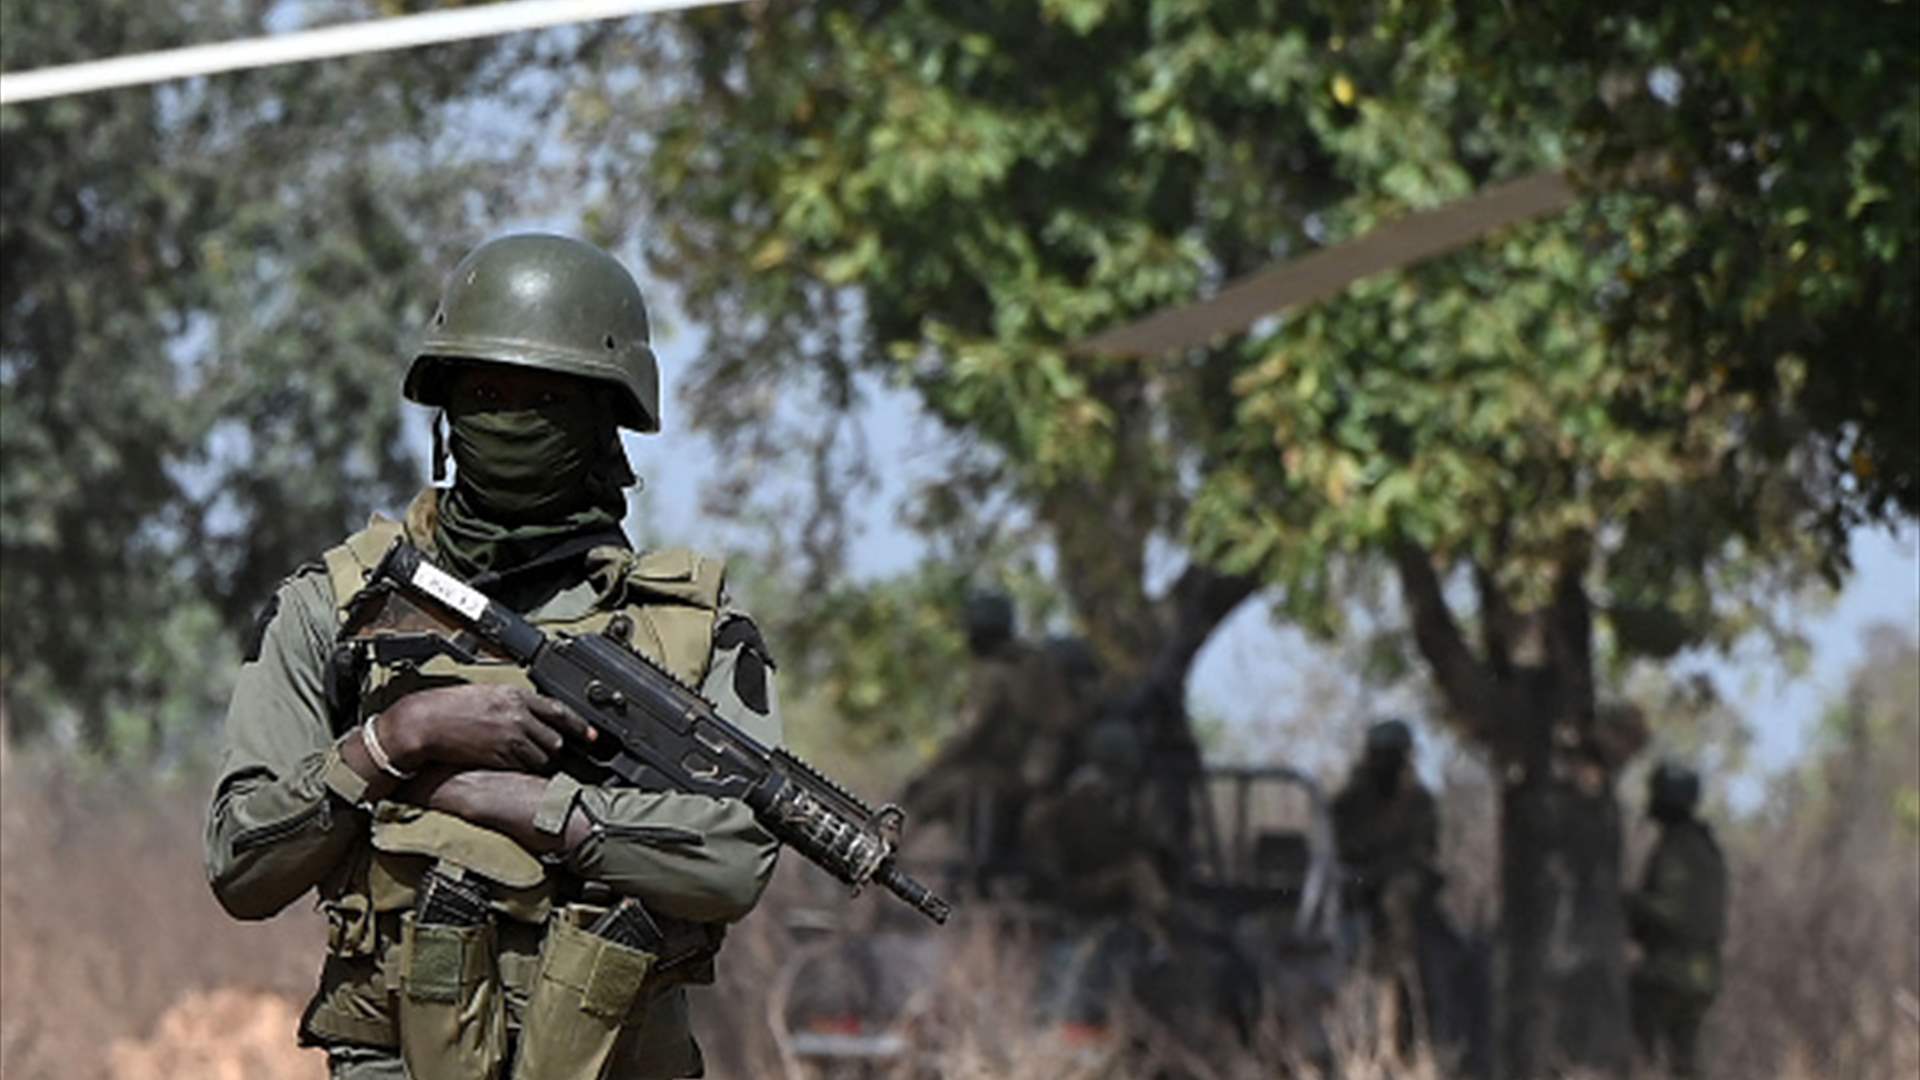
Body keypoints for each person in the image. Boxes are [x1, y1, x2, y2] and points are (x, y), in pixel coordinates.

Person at [204, 234, 784, 1080]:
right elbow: (241, 865)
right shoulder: (337, 607)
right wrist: (398, 739)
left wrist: (527, 805)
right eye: (484, 393)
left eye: (547, 397)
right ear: (445, 409)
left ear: (606, 418)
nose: (511, 417)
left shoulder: (688, 628)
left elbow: (736, 861)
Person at [899, 591, 1077, 889]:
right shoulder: (1038, 664)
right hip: (1041, 777)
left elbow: (968, 735)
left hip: (1007, 777)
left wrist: (925, 774)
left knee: (932, 792)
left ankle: (883, 856)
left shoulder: (995, 673)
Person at [1331, 718, 1440, 1051]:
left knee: (1400, 900)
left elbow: (1424, 852)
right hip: (1355, 884)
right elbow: (1338, 847)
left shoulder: (1418, 801)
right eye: (1383, 754)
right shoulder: (1348, 802)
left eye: (1395, 755)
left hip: (1399, 890)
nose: (1388, 763)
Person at [1625, 762, 1728, 1079]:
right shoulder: (1702, 846)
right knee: (1684, 1062)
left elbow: (1675, 914)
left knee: (1634, 1046)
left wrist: (1625, 903)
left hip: (1672, 972)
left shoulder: (1681, 848)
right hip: (1700, 974)